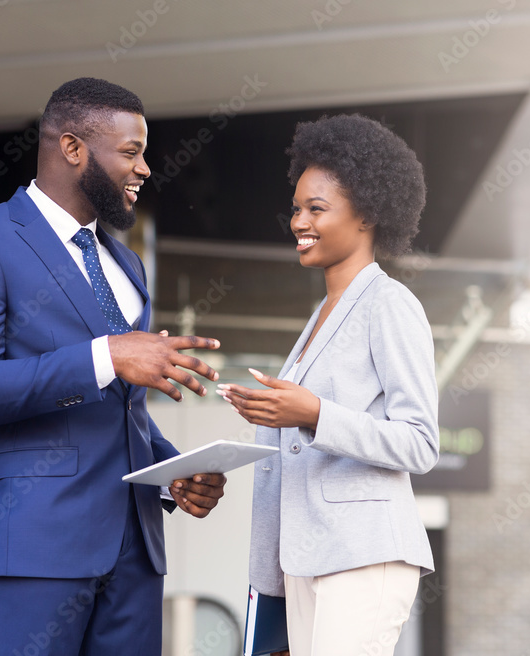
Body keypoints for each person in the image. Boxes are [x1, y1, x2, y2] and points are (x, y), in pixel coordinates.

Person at [0, 78, 227, 656]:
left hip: (136, 547)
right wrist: (107, 354)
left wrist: (172, 473)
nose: (144, 168)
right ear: (73, 148)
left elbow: (121, 409)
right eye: (131, 152)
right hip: (37, 539)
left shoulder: (127, 264)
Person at [217, 114, 439, 656]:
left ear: (366, 214)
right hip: (304, 557)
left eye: (317, 209)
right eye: (296, 208)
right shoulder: (322, 315)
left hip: (362, 553)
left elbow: (420, 442)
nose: (299, 222)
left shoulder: (388, 304)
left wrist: (314, 412)